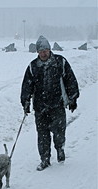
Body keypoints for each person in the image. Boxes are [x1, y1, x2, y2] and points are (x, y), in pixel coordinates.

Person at [21, 35, 79, 171]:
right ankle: (45, 159)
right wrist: (26, 101)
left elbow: (70, 80)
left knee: (59, 132)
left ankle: (60, 149)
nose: (43, 53)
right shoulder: (33, 66)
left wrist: (73, 98)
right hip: (40, 107)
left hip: (57, 105)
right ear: (37, 52)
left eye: (46, 50)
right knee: (42, 135)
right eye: (41, 51)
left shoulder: (60, 62)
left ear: (49, 49)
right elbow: (27, 86)